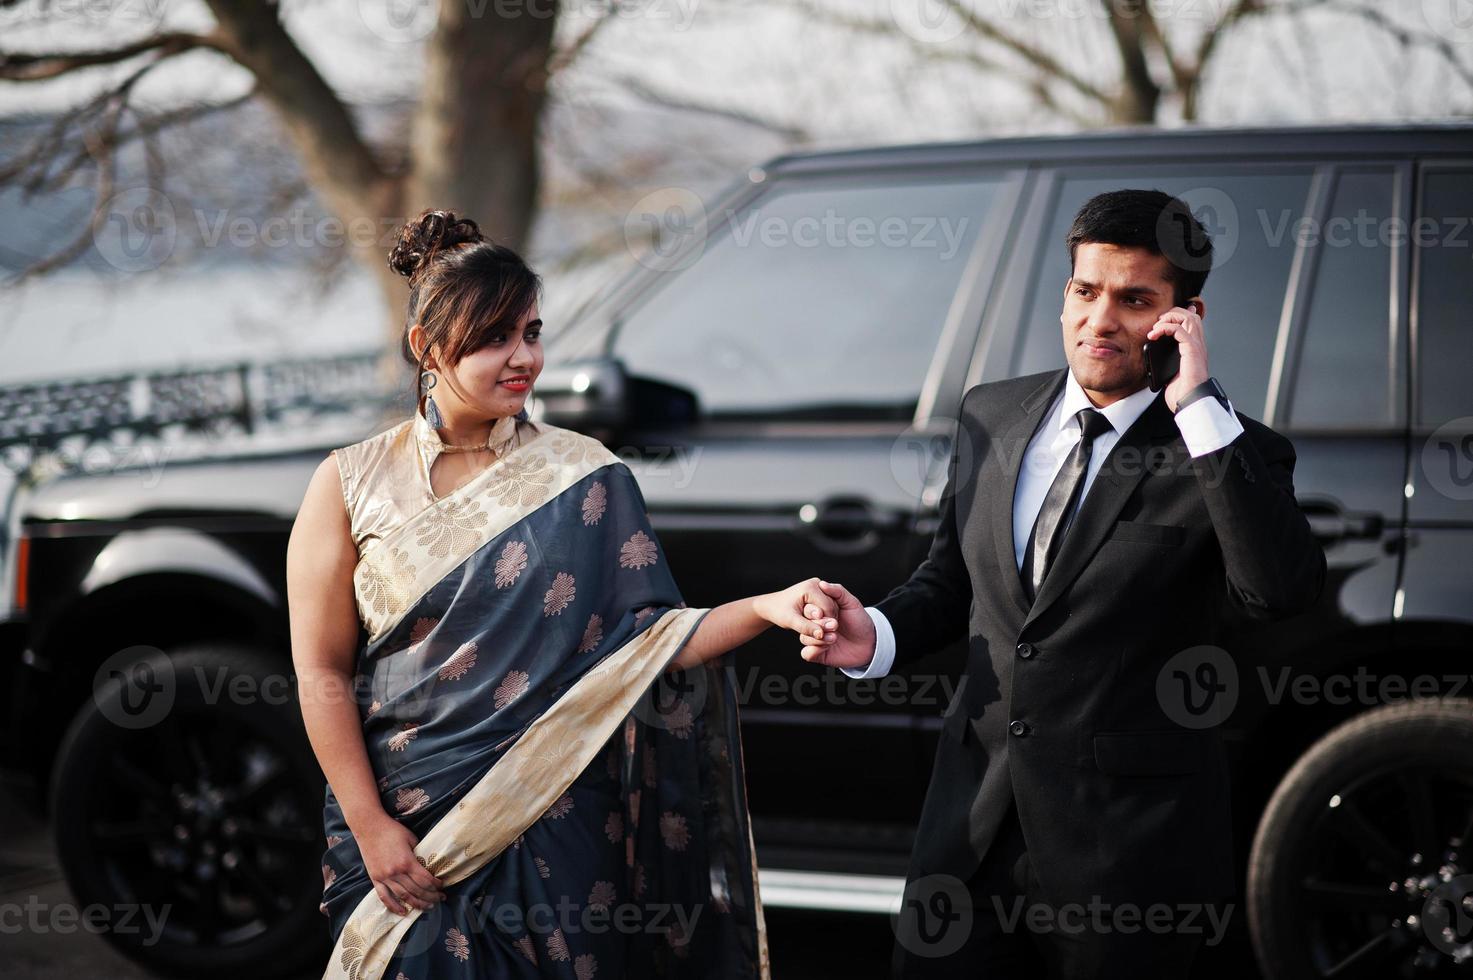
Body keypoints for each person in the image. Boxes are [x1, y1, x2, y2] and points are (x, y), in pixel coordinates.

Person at [285, 209, 837, 980]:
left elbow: (645, 647)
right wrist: (371, 824)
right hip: (409, 828)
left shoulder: (585, 477)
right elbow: (320, 671)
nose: (523, 359)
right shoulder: (349, 484)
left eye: (532, 332)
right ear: (425, 348)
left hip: (559, 814)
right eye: (493, 339)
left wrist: (765, 609)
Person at [795, 189, 1327, 978]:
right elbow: (951, 582)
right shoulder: (990, 415)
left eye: (1134, 300)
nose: (1100, 320)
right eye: (1084, 292)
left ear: (1184, 316)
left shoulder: (1228, 449)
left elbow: (1277, 591)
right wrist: (876, 634)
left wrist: (1196, 406)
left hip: (1126, 861)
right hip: (968, 832)